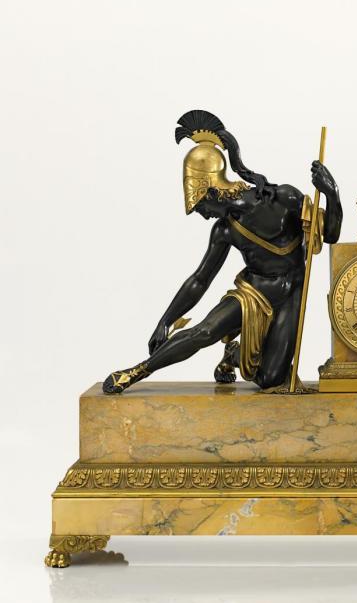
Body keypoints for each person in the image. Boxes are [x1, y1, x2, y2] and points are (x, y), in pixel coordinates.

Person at [103, 110, 342, 394]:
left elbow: (331, 235)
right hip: (252, 294)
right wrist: (165, 321)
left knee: (270, 379)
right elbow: (199, 280)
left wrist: (332, 193)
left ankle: (234, 354)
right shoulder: (224, 230)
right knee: (205, 331)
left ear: (214, 191)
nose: (203, 215)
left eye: (201, 206)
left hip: (291, 295)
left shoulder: (283, 199)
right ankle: (137, 371)